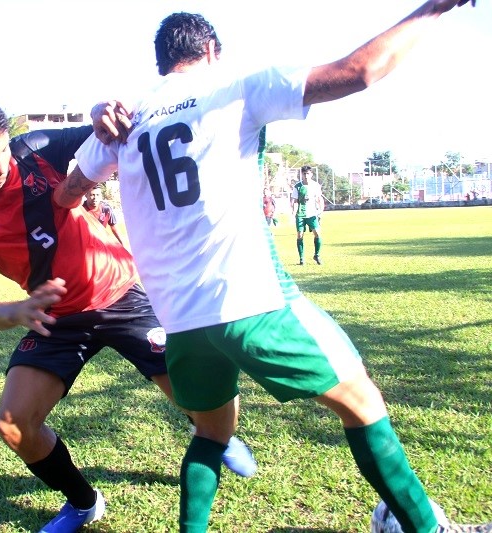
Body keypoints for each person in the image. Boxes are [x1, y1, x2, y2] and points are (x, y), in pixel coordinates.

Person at [58, 2, 481, 532]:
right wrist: (436, 8)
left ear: (163, 60)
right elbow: (360, 72)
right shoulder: (234, 86)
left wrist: (100, 125)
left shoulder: (123, 119)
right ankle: (427, 529)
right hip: (251, 302)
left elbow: (67, 195)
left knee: (212, 434)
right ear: (211, 51)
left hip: (180, 324)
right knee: (363, 402)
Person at [0, 94, 256, 533]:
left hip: (120, 294)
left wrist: (101, 110)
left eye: (4, 149)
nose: (1, 165)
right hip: (53, 317)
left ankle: (219, 433)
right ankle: (84, 503)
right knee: (14, 424)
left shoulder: (34, 150)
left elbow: (111, 133)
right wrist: (16, 309)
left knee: (194, 397)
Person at [291, 166, 324, 265]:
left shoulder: (316, 185)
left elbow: (319, 199)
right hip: (300, 214)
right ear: (302, 174)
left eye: (308, 173)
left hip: (312, 214)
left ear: (311, 174)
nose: (306, 176)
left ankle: (316, 255)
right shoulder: (297, 186)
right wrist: (293, 210)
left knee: (317, 233)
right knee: (300, 235)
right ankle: (301, 259)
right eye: (304, 174)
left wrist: (321, 210)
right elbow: (294, 200)